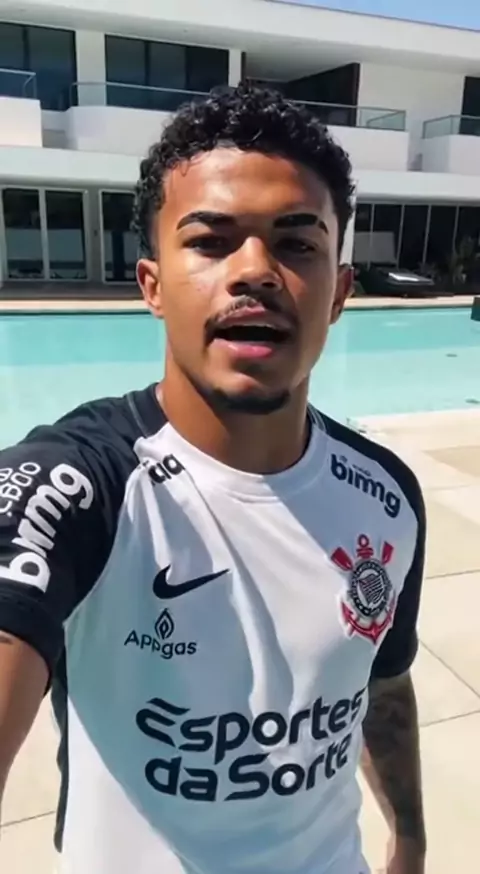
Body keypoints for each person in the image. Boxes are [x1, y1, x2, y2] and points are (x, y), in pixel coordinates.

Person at [0, 85, 426, 874]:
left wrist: (411, 838)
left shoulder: (388, 497)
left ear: (340, 292)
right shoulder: (76, 487)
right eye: (210, 241)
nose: (255, 271)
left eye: (296, 244)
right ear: (152, 285)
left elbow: (383, 684)